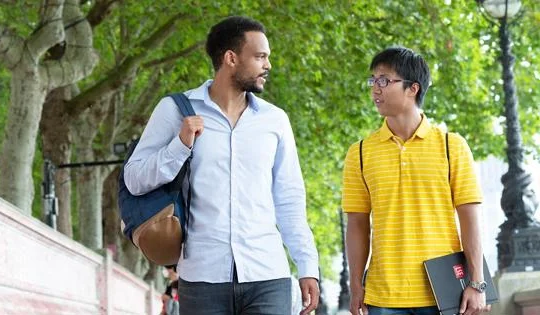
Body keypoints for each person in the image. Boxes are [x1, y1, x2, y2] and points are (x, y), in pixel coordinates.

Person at [124, 16, 319, 315]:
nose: (268, 65)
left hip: (267, 274)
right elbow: (134, 178)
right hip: (203, 278)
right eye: (260, 57)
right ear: (230, 58)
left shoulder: (275, 120)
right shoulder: (175, 110)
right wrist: (180, 145)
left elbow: (289, 198)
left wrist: (307, 266)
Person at [341, 46, 490, 315]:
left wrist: (477, 283)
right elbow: (357, 223)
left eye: (384, 80)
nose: (375, 88)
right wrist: (355, 284)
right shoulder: (360, 152)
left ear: (413, 88)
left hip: (444, 292)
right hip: (383, 296)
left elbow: (470, 218)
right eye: (373, 80)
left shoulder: (451, 146)